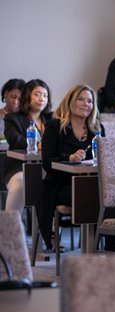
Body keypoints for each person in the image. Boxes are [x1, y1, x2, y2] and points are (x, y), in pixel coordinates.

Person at [39, 84, 104, 250]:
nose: (85, 104)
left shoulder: (97, 129)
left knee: (107, 196)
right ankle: (93, 248)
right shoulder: (55, 126)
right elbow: (47, 161)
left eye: (89, 101)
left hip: (92, 182)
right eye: (80, 99)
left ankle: (108, 244)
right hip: (60, 185)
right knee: (93, 196)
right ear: (70, 101)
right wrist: (69, 157)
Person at [3, 79, 52, 215]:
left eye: (45, 95)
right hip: (19, 167)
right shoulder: (12, 118)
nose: (41, 98)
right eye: (37, 94)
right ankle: (10, 229)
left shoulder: (52, 119)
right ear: (27, 96)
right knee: (19, 184)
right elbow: (16, 140)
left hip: (47, 167)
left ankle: (49, 231)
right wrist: (38, 144)